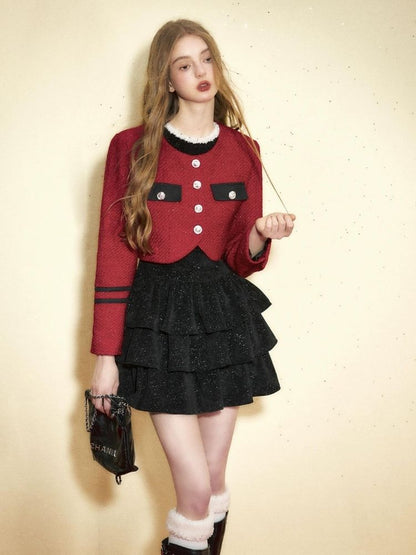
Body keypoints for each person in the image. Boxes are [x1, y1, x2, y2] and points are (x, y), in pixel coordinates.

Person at [90, 19, 295, 555]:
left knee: (214, 480)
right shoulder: (130, 147)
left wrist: (259, 233)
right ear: (167, 77)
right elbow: (114, 255)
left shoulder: (245, 149)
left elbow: (240, 259)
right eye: (185, 64)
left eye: (206, 58)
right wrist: (106, 358)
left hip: (223, 322)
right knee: (196, 493)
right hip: (157, 325)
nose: (200, 72)